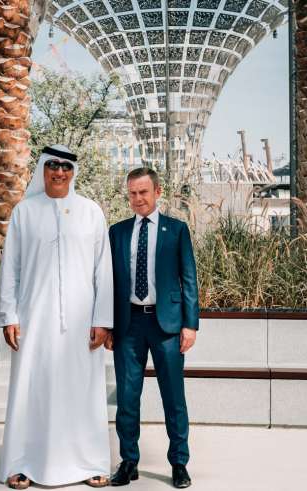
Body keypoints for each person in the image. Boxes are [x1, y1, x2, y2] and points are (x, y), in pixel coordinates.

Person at [0, 145, 113, 489]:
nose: (59, 172)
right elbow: (11, 269)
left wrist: (103, 320)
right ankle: (23, 463)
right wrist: (9, 315)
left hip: (82, 324)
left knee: (83, 392)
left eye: (66, 167)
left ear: (73, 172)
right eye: (53, 166)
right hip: (34, 320)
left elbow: (103, 271)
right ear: (43, 169)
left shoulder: (91, 212)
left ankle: (90, 463)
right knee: (31, 391)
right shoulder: (24, 212)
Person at [105, 167, 199, 489]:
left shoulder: (176, 230)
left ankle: (179, 463)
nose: (137, 199)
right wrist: (108, 326)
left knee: (173, 397)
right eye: (132, 193)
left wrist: (190, 325)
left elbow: (189, 279)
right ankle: (129, 461)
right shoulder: (117, 232)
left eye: (143, 192)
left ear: (157, 192)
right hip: (128, 325)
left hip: (167, 326)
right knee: (127, 397)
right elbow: (109, 283)